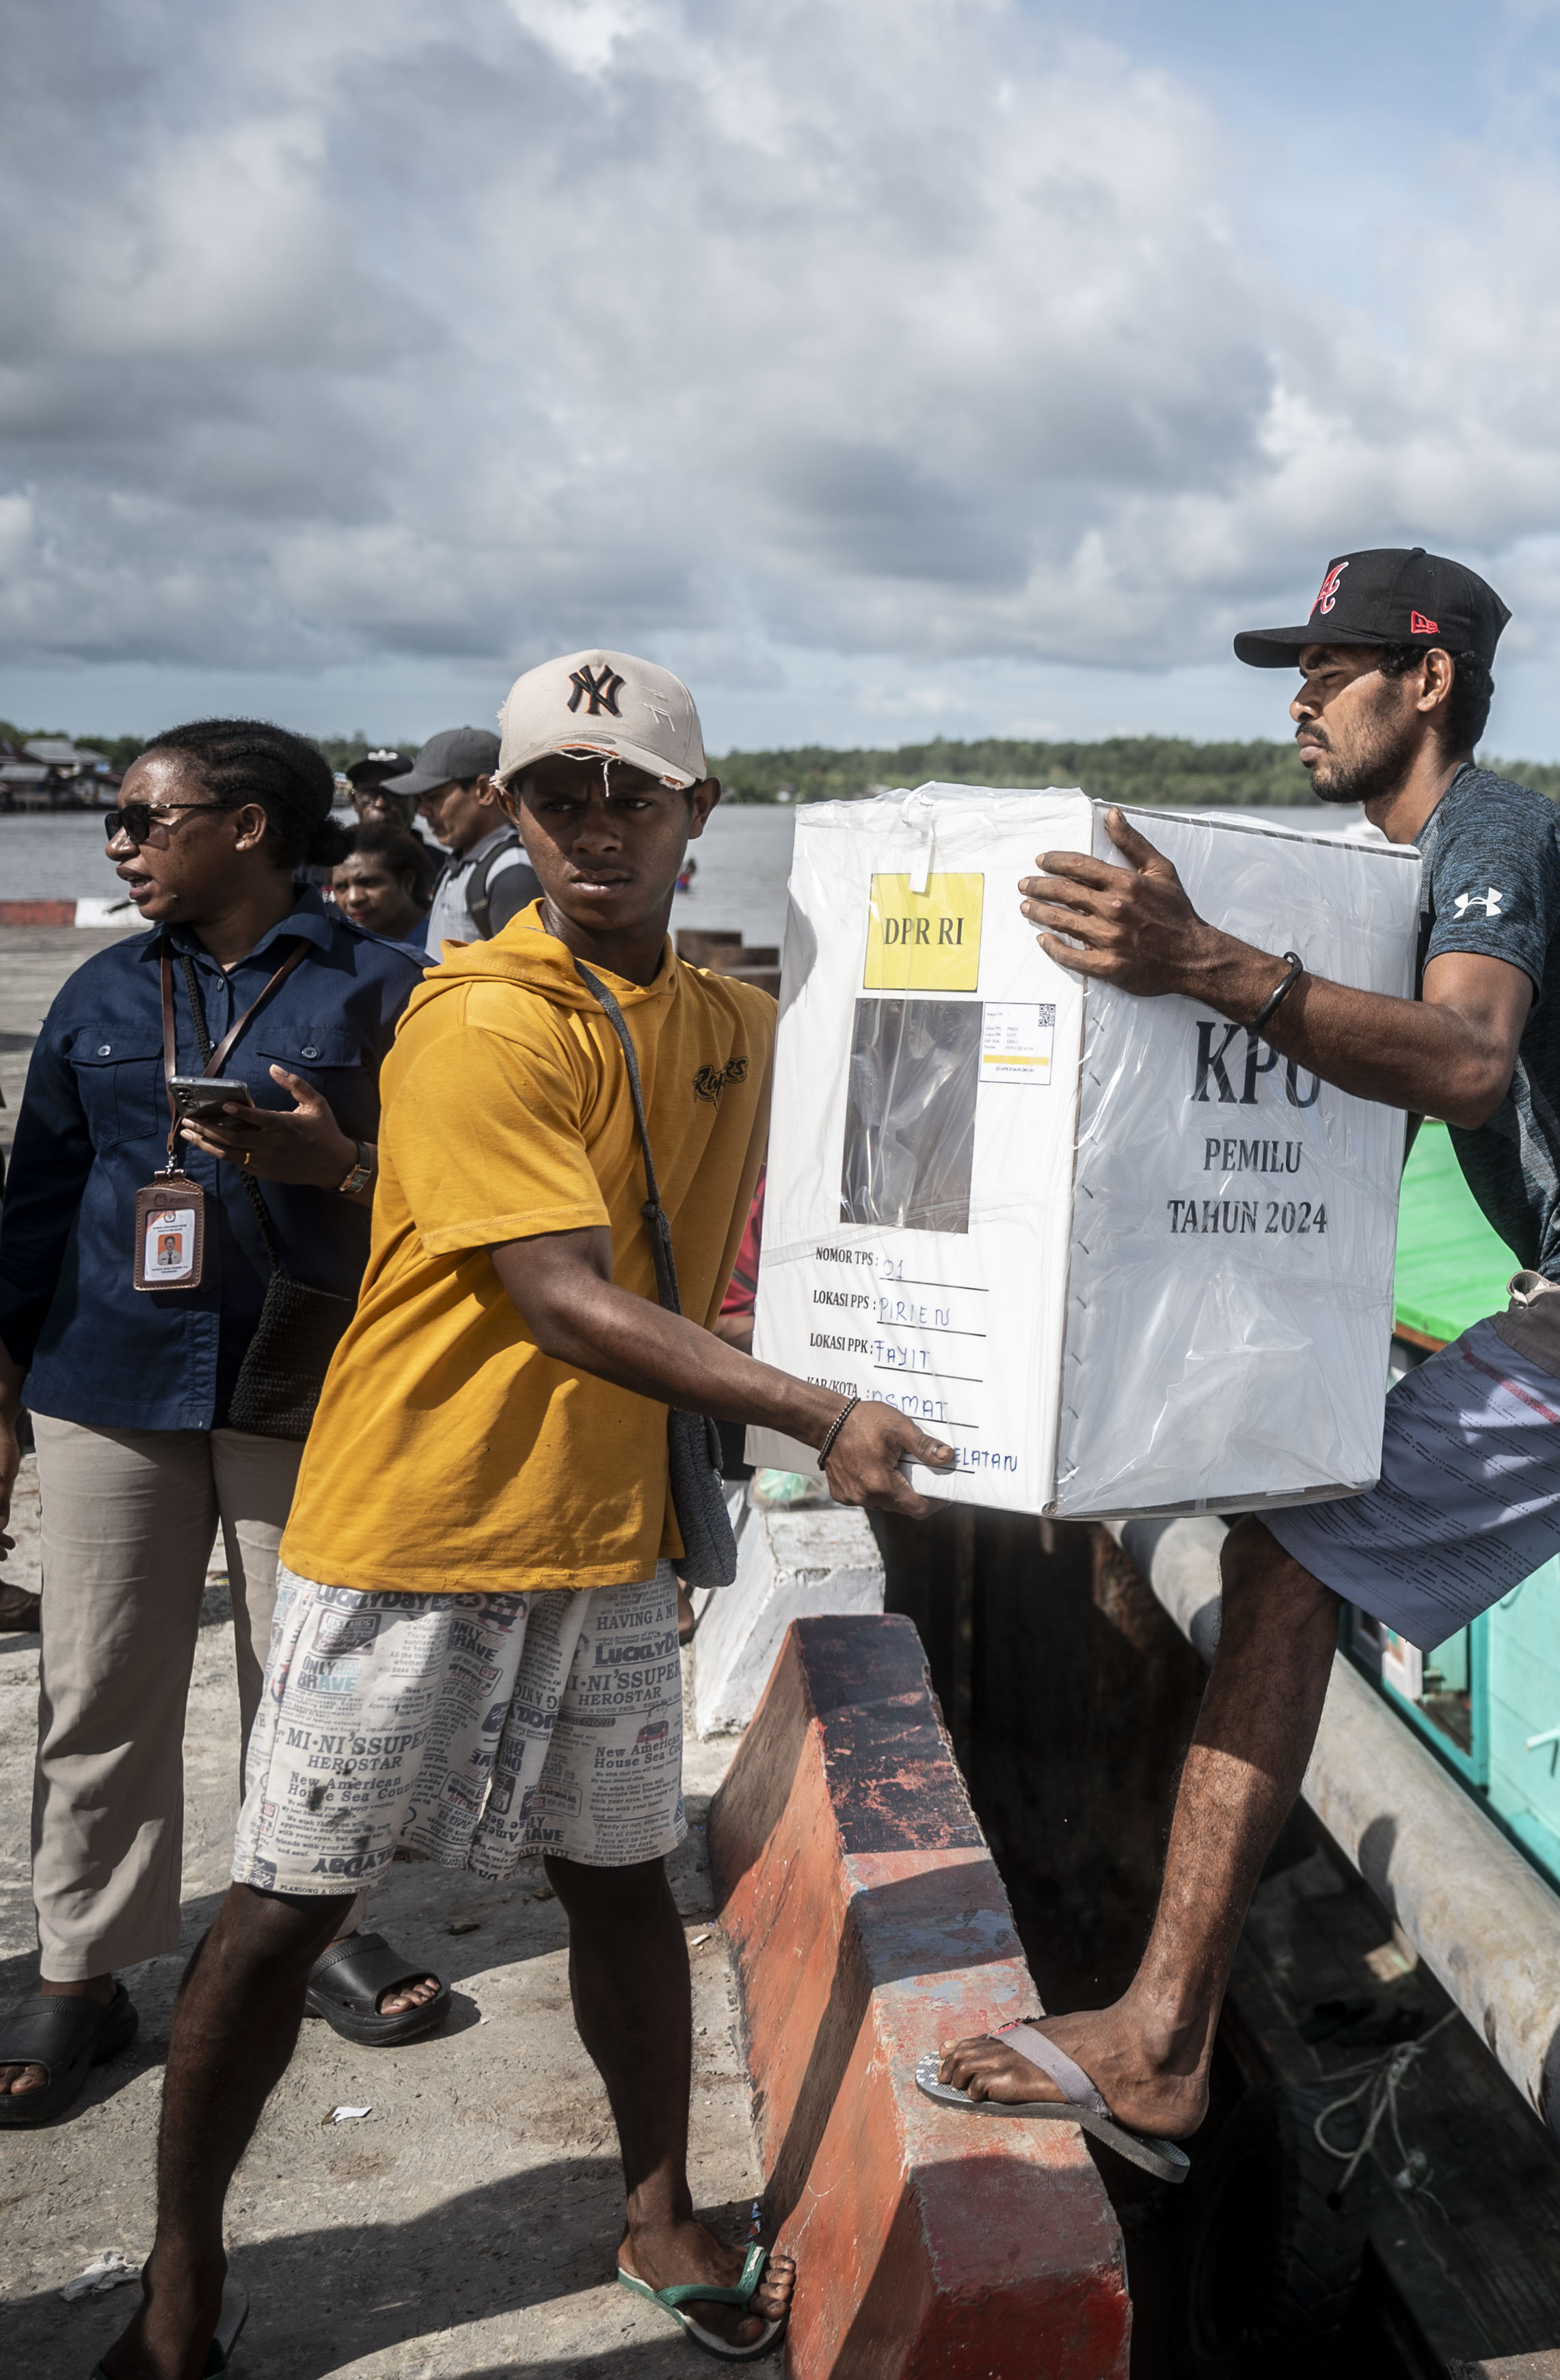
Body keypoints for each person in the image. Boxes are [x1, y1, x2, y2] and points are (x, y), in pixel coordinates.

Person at [929, 546, 1560, 2154]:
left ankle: (1162, 2039)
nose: (1300, 702)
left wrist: (1203, 959)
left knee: (1278, 1562)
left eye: (1331, 671)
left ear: (1429, 678)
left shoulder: (1489, 832)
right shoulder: (1408, 874)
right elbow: (1367, 1120)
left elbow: (1460, 1061)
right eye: (1297, 677)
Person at [92, 651, 954, 2380]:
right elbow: (558, 1292)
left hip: (611, 1533)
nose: (597, 829)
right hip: (421, 1522)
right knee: (287, 1904)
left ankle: (657, 2206)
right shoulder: (481, 1010)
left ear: (700, 814)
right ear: (516, 813)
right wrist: (818, 1411)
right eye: (561, 797)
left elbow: (907, 1123)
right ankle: (179, 2271)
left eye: (634, 795)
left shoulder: (730, 1026)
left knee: (622, 1875)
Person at [0, 720, 451, 2128]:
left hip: (308, 1378)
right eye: (117, 820)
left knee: (313, 1680)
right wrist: (2, 1387)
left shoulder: (389, 988)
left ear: (247, 826)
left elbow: (459, 1194)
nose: (120, 841)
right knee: (97, 1681)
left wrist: (345, 1160)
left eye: (146, 817)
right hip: (105, 1377)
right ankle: (81, 1968)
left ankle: (315, 1928)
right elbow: (36, 1197)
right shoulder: (98, 988)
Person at [381, 725, 539, 959]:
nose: (423, 811)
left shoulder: (512, 873)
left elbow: (524, 974)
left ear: (485, 791)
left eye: (434, 798)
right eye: (420, 800)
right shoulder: (461, 862)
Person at [329, 826, 439, 954]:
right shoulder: (341, 951)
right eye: (341, 887)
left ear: (407, 882)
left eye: (368, 883)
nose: (353, 899)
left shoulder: (443, 948)